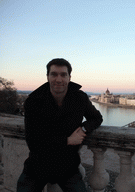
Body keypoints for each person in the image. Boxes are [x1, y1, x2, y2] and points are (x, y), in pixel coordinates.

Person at [17, 58, 103, 191]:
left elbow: (96, 118)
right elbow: (33, 141)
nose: (58, 79)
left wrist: (83, 129)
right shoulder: (33, 101)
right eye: (54, 74)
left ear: (69, 77)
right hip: (38, 166)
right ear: (47, 77)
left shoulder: (79, 98)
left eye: (63, 74)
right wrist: (68, 140)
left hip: (67, 166)